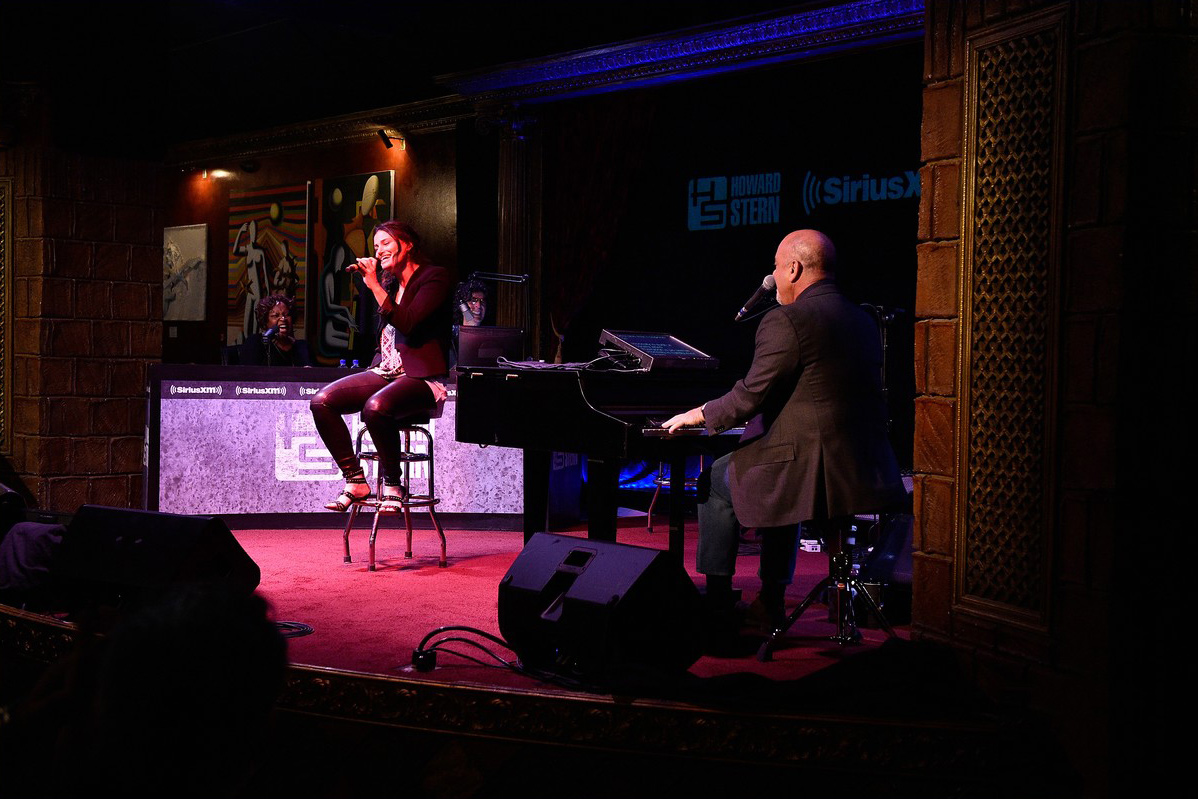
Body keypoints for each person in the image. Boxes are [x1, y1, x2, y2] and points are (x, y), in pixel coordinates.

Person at [663, 229, 905, 639]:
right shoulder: (861, 319)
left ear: (793, 268)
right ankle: (769, 600)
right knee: (772, 470)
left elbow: (750, 395)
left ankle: (720, 601)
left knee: (717, 480)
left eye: (776, 268)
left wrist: (699, 414)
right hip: (862, 463)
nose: (772, 276)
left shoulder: (787, 320)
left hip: (813, 465)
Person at [309, 220, 451, 513]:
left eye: (386, 243)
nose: (379, 250)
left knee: (374, 407)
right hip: (386, 371)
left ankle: (393, 484)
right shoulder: (388, 284)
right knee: (322, 402)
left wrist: (373, 283)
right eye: (376, 246)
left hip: (422, 378)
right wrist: (372, 285)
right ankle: (355, 480)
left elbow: (409, 322)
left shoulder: (434, 277)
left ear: (407, 244)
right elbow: (373, 332)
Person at [239, 294, 313, 366]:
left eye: (287, 315)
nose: (283, 319)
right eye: (275, 316)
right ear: (265, 322)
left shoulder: (303, 347)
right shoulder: (255, 342)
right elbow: (248, 374)